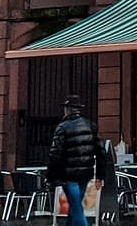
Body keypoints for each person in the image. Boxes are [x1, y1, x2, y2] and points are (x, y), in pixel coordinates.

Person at [46, 95, 103, 226]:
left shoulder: (62, 127)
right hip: (86, 174)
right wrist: (100, 175)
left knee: (76, 208)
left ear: (67, 109)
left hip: (68, 175)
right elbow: (101, 152)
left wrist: (50, 176)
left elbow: (55, 154)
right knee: (75, 205)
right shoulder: (91, 126)